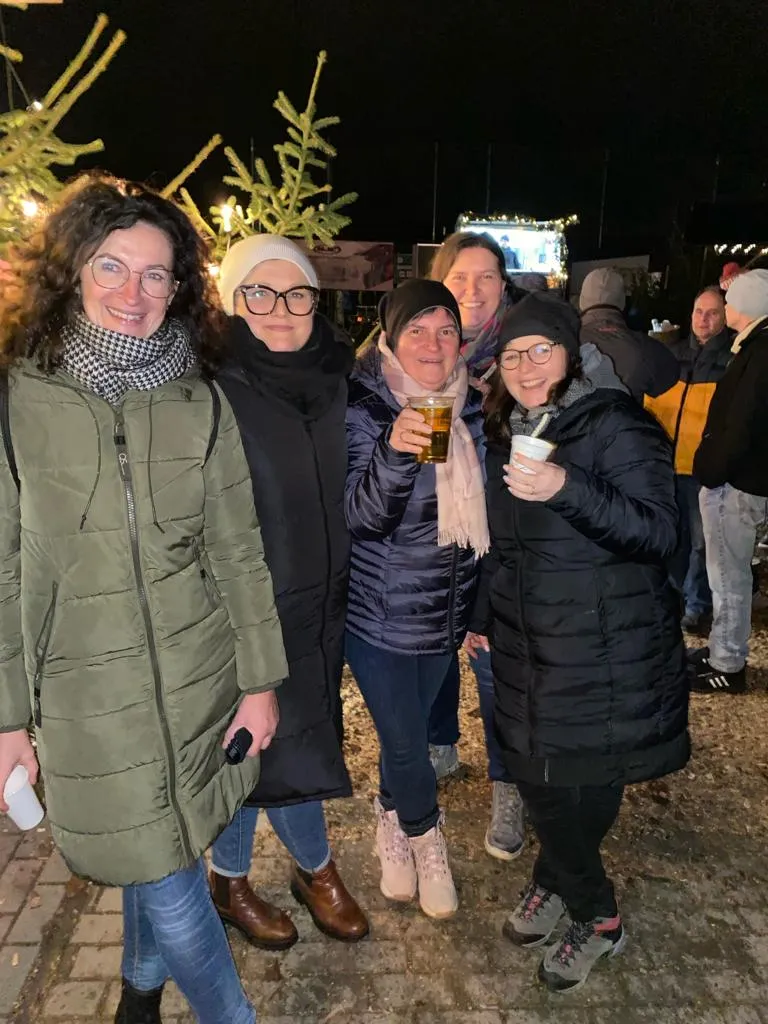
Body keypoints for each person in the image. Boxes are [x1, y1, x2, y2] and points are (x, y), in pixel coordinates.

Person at [0, 176, 289, 1024]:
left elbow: (237, 549)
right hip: (87, 698)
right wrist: (8, 720)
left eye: (157, 273)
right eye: (111, 267)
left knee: (167, 849)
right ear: (71, 271)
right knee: (166, 873)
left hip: (199, 679)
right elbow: (4, 569)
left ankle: (138, 986)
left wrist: (261, 680)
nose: (135, 292)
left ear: (180, 287)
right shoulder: (18, 400)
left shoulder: (199, 400)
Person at [467, 293, 689, 992]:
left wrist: (568, 487)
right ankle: (557, 877)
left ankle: (597, 917)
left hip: (604, 647)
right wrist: (478, 615)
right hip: (528, 643)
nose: (527, 367)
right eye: (512, 355)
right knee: (540, 777)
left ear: (572, 353)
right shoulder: (508, 429)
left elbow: (660, 531)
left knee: (579, 783)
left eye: (542, 350)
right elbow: (504, 544)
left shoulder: (617, 423)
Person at [209, 235, 368, 947]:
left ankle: (289, 871)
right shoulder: (211, 386)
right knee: (250, 740)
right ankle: (252, 875)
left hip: (321, 598)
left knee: (302, 732)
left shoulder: (338, 377)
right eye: (259, 292)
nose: (280, 309)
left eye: (297, 293)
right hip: (242, 603)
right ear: (232, 301)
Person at [344, 279, 488, 920]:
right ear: (390, 338)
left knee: (405, 734)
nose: (434, 344)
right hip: (377, 614)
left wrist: (477, 611)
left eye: (446, 330)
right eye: (418, 331)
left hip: (444, 612)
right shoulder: (361, 404)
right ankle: (426, 838)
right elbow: (361, 519)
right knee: (406, 743)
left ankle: (389, 816)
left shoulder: (473, 406)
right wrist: (395, 453)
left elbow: (483, 522)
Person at [427, 231, 526, 861]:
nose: (473, 289)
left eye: (486, 276)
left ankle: (507, 784)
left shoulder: (520, 359)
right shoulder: (418, 351)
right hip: (435, 539)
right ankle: (439, 742)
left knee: (494, 666)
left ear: (503, 285)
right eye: (459, 277)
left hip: (500, 543)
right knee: (434, 648)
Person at [690, 269, 768, 694]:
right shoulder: (755, 347)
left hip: (735, 484)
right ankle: (723, 651)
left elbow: (742, 423)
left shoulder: (759, 352)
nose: (725, 307)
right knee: (727, 575)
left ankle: (727, 664)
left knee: (728, 578)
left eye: (732, 300)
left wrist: (711, 470)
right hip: (740, 480)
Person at [645, 286, 732, 634]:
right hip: (667, 465)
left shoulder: (732, 363)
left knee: (701, 542)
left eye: (712, 313)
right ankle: (672, 599)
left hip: (702, 469)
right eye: (698, 311)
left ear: (725, 317)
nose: (703, 320)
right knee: (672, 537)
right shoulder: (672, 355)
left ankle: (696, 606)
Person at [579, 267, 679, 399]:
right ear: (623, 301)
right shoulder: (646, 347)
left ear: (582, 301)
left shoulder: (563, 342)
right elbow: (669, 378)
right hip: (623, 411)